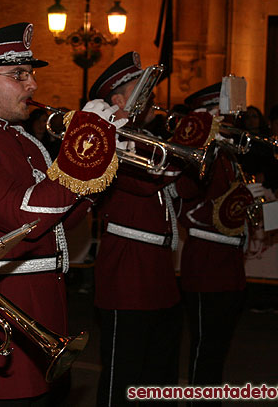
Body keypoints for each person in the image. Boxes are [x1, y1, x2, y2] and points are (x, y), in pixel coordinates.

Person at [0, 22, 122, 406]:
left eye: (29, 74)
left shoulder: (20, 139)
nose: (32, 85)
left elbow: (57, 225)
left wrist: (99, 161)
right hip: (1, 310)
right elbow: (24, 216)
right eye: (18, 75)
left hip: (43, 309)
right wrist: (82, 151)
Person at [88, 51, 184, 406]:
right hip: (127, 265)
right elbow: (144, 182)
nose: (151, 96)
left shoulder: (142, 135)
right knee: (123, 373)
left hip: (158, 264)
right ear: (116, 99)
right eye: (140, 88)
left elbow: (182, 192)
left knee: (159, 372)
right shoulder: (107, 137)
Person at [174, 86, 261, 405]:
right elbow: (184, 202)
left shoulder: (226, 152)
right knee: (205, 348)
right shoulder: (202, 150)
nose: (229, 118)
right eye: (221, 113)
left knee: (219, 345)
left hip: (229, 260)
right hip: (207, 260)